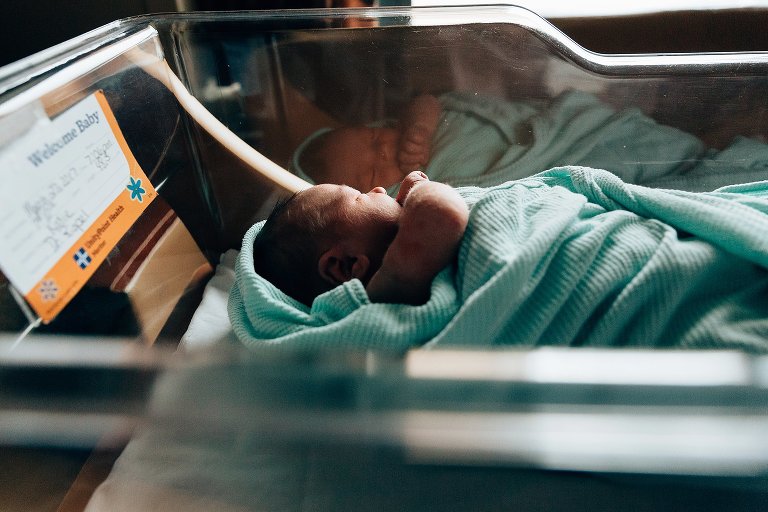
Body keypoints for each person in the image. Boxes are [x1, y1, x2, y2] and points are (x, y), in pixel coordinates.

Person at [293, 90, 768, 195]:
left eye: (376, 138)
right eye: (373, 170)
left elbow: (430, 96)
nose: (386, 152)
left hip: (573, 135)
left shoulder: (426, 120)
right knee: (665, 197)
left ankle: (739, 168)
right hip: (559, 178)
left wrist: (420, 116)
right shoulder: (416, 197)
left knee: (684, 159)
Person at [253, 170, 467, 306]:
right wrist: (418, 190)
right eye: (360, 197)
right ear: (346, 266)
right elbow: (443, 215)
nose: (379, 189)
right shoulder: (391, 287)